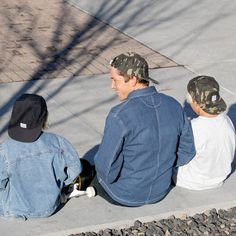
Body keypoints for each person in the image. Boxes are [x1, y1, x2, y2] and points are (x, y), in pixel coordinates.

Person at [93, 52, 196, 207]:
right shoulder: (173, 105)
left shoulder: (119, 115)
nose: (112, 86)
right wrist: (163, 165)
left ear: (133, 80)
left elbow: (105, 169)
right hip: (161, 190)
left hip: (125, 195)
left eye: (115, 80)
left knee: (88, 167)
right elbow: (188, 151)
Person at [0, 93, 85, 219]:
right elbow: (76, 168)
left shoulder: (5, 149)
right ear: (44, 118)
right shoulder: (59, 142)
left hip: (13, 209)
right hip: (50, 207)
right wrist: (60, 182)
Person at [174, 75, 236, 190]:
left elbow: (181, 156)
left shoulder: (193, 127)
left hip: (190, 181)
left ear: (196, 103)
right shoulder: (227, 121)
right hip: (218, 178)